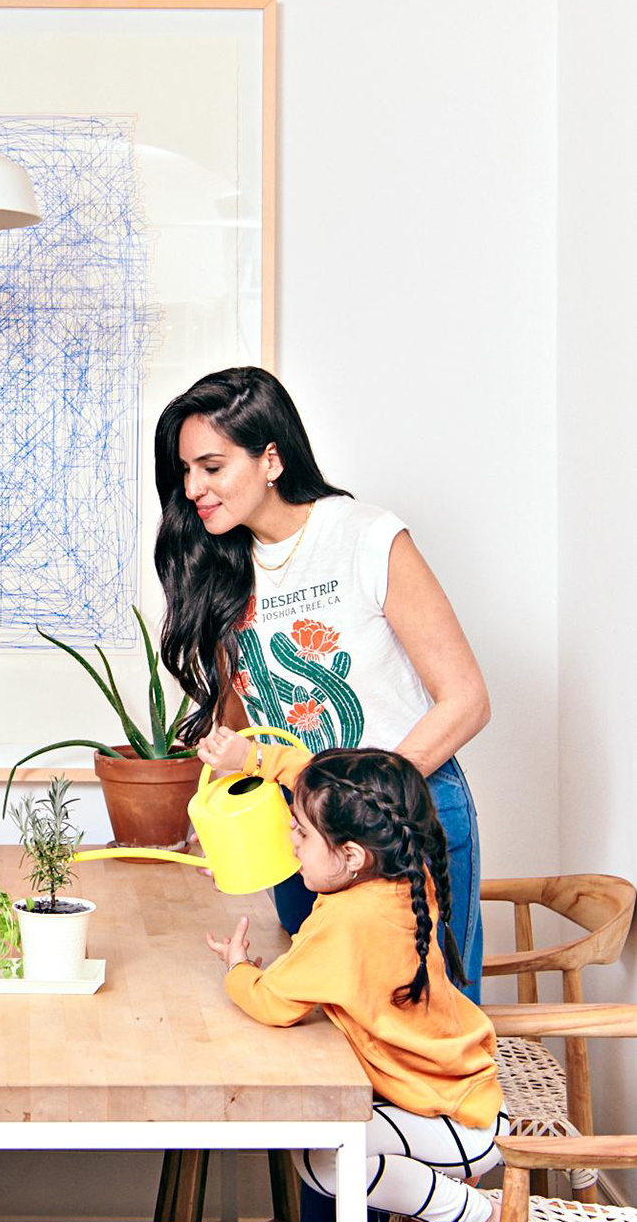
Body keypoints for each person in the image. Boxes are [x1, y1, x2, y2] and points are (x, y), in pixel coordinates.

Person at [154, 366, 489, 1001]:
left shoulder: (364, 537)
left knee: (427, 1017)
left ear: (270, 459)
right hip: (301, 827)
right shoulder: (224, 565)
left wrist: (359, 802)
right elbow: (243, 700)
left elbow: (467, 700)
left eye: (212, 466)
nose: (193, 487)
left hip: (406, 813)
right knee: (320, 1018)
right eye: (187, 472)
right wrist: (223, 786)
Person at [210, 743, 506, 1222]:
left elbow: (273, 1002)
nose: (292, 842)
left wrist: (238, 967)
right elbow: (328, 788)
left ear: (351, 854)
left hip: (454, 1122)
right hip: (464, 1097)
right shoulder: (402, 878)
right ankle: (446, 1211)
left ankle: (475, 1216)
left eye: (301, 833)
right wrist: (261, 760)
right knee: (330, 1152)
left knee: (322, 1160)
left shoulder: (350, 919)